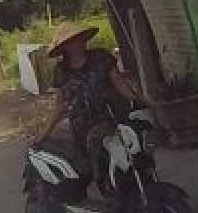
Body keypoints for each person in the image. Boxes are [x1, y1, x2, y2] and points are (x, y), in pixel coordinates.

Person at [32, 22, 143, 193]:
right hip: (82, 125)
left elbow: (119, 83)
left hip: (111, 115)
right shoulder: (61, 71)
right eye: (72, 41)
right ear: (65, 47)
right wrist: (43, 134)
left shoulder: (101, 57)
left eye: (79, 38)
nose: (77, 43)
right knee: (94, 144)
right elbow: (60, 106)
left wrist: (137, 100)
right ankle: (104, 182)